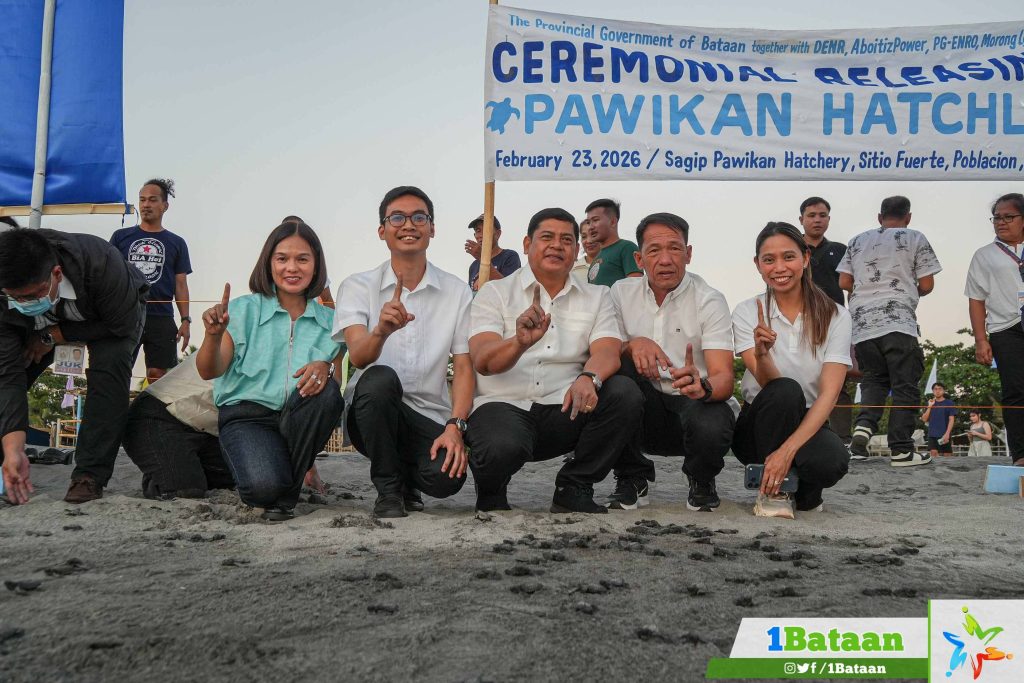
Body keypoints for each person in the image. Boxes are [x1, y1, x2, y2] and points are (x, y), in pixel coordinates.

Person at [467, 207, 643, 514]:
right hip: (503, 406)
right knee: (500, 447)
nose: (556, 245)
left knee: (624, 394)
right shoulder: (494, 293)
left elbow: (607, 350)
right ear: (526, 244)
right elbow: (482, 360)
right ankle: (492, 490)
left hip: (565, 406)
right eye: (546, 237)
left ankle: (573, 487)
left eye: (566, 240)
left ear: (576, 250)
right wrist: (518, 343)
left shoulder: (597, 296)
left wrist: (589, 378)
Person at [335, 186, 472, 518]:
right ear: (382, 230)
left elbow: (466, 367)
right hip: (371, 411)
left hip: (428, 415)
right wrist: (381, 330)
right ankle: (389, 489)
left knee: (446, 478)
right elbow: (360, 357)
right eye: (397, 217)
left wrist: (455, 426)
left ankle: (404, 475)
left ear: (432, 228)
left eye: (419, 217)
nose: (408, 225)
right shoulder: (356, 286)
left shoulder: (457, 291)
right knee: (380, 378)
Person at [196, 220, 343, 521]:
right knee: (262, 489)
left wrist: (325, 367)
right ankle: (276, 486)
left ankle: (283, 495)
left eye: (303, 259)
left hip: (296, 418)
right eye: (282, 258)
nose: (292, 267)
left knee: (327, 392)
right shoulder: (241, 310)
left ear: (316, 266)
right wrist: (212, 335)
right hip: (247, 417)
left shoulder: (332, 322)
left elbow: (332, 395)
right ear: (269, 262)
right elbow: (209, 370)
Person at [0, 228, 148, 504]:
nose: (26, 303)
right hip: (46, 323)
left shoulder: (102, 264)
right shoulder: (5, 296)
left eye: (35, 294)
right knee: (15, 366)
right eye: (16, 298)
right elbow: (7, 377)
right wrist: (14, 448)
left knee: (109, 370)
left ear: (56, 274)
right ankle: (7, 463)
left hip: (111, 315)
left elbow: (121, 325)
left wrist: (53, 335)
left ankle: (89, 475)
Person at [608, 212, 736, 511]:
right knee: (615, 372)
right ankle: (631, 476)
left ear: (688, 254)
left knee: (713, 414)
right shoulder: (619, 293)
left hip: (693, 403)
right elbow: (602, 350)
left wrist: (702, 385)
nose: (665, 260)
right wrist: (632, 345)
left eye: (675, 248)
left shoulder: (710, 299)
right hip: (643, 407)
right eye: (654, 250)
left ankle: (701, 479)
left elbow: (724, 378)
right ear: (639, 259)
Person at [732, 222, 851, 514]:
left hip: (809, 421)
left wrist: (787, 452)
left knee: (831, 461)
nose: (779, 267)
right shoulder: (748, 312)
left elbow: (829, 394)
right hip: (758, 426)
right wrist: (762, 356)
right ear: (758, 265)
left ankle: (804, 490)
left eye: (789, 256)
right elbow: (771, 387)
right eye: (768, 260)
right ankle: (773, 492)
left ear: (805, 258)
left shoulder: (836, 315)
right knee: (785, 390)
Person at [839, 196, 942, 467]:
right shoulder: (914, 237)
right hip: (897, 322)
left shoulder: (857, 240)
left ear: (879, 217)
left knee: (873, 379)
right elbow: (928, 284)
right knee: (904, 384)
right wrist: (906, 291)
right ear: (907, 217)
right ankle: (901, 450)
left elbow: (844, 281)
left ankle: (862, 433)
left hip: (862, 324)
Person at [111, 179, 192, 383]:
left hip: (161, 315)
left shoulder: (177, 242)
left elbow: (180, 283)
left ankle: (153, 414)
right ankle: (118, 413)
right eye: (142, 200)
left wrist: (185, 320)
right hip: (126, 313)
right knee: (119, 370)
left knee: (159, 375)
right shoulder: (121, 237)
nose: (146, 205)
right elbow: (108, 276)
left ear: (164, 206)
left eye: (152, 200)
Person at [122, 354, 234, 499]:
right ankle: (161, 470)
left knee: (247, 478)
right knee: (185, 490)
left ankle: (182, 463)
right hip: (158, 414)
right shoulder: (238, 344)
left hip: (205, 429)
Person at [966, 192, 1024, 466]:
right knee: (1015, 390)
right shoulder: (984, 255)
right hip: (1006, 328)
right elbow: (976, 299)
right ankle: (1021, 454)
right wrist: (981, 340)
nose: (1001, 222)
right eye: (997, 218)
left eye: (1009, 217)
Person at [799, 196, 855, 445]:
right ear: (801, 220)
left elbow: (852, 287)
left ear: (829, 220)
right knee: (798, 375)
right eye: (811, 215)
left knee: (838, 379)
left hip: (834, 321)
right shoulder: (792, 249)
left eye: (822, 215)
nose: (817, 220)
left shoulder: (840, 251)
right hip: (797, 320)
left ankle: (842, 438)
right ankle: (799, 432)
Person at [585, 198, 642, 286]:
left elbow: (635, 288)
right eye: (588, 222)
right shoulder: (596, 259)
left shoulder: (627, 247)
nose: (590, 227)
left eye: (595, 220)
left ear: (612, 222)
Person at [465, 214, 521, 291]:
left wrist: (482, 258)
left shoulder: (509, 256)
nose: (480, 235)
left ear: (498, 234)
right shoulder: (473, 266)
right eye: (478, 231)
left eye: (486, 229)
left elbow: (508, 290)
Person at [921, 382, 957, 458]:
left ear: (943, 391)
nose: (937, 391)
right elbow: (924, 419)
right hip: (932, 434)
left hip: (944, 433)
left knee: (947, 456)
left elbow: (951, 419)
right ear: (933, 391)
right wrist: (930, 406)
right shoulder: (930, 403)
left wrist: (947, 434)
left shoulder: (949, 403)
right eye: (935, 389)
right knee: (933, 455)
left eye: (940, 389)